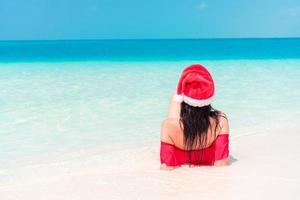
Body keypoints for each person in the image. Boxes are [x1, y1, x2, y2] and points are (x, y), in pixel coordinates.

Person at [160, 64, 229, 170]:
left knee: (174, 104)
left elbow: (166, 167)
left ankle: (184, 91)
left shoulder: (168, 126)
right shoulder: (221, 121)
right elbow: (222, 163)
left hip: (178, 136)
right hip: (207, 163)